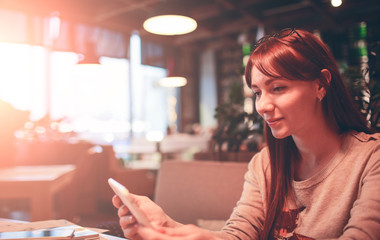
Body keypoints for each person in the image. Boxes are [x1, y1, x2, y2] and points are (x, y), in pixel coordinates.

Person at [112, 28, 380, 239]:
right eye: (257, 92)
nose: (262, 106)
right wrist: (165, 226)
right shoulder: (264, 164)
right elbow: (239, 235)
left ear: (320, 84)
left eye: (278, 88)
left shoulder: (371, 158)